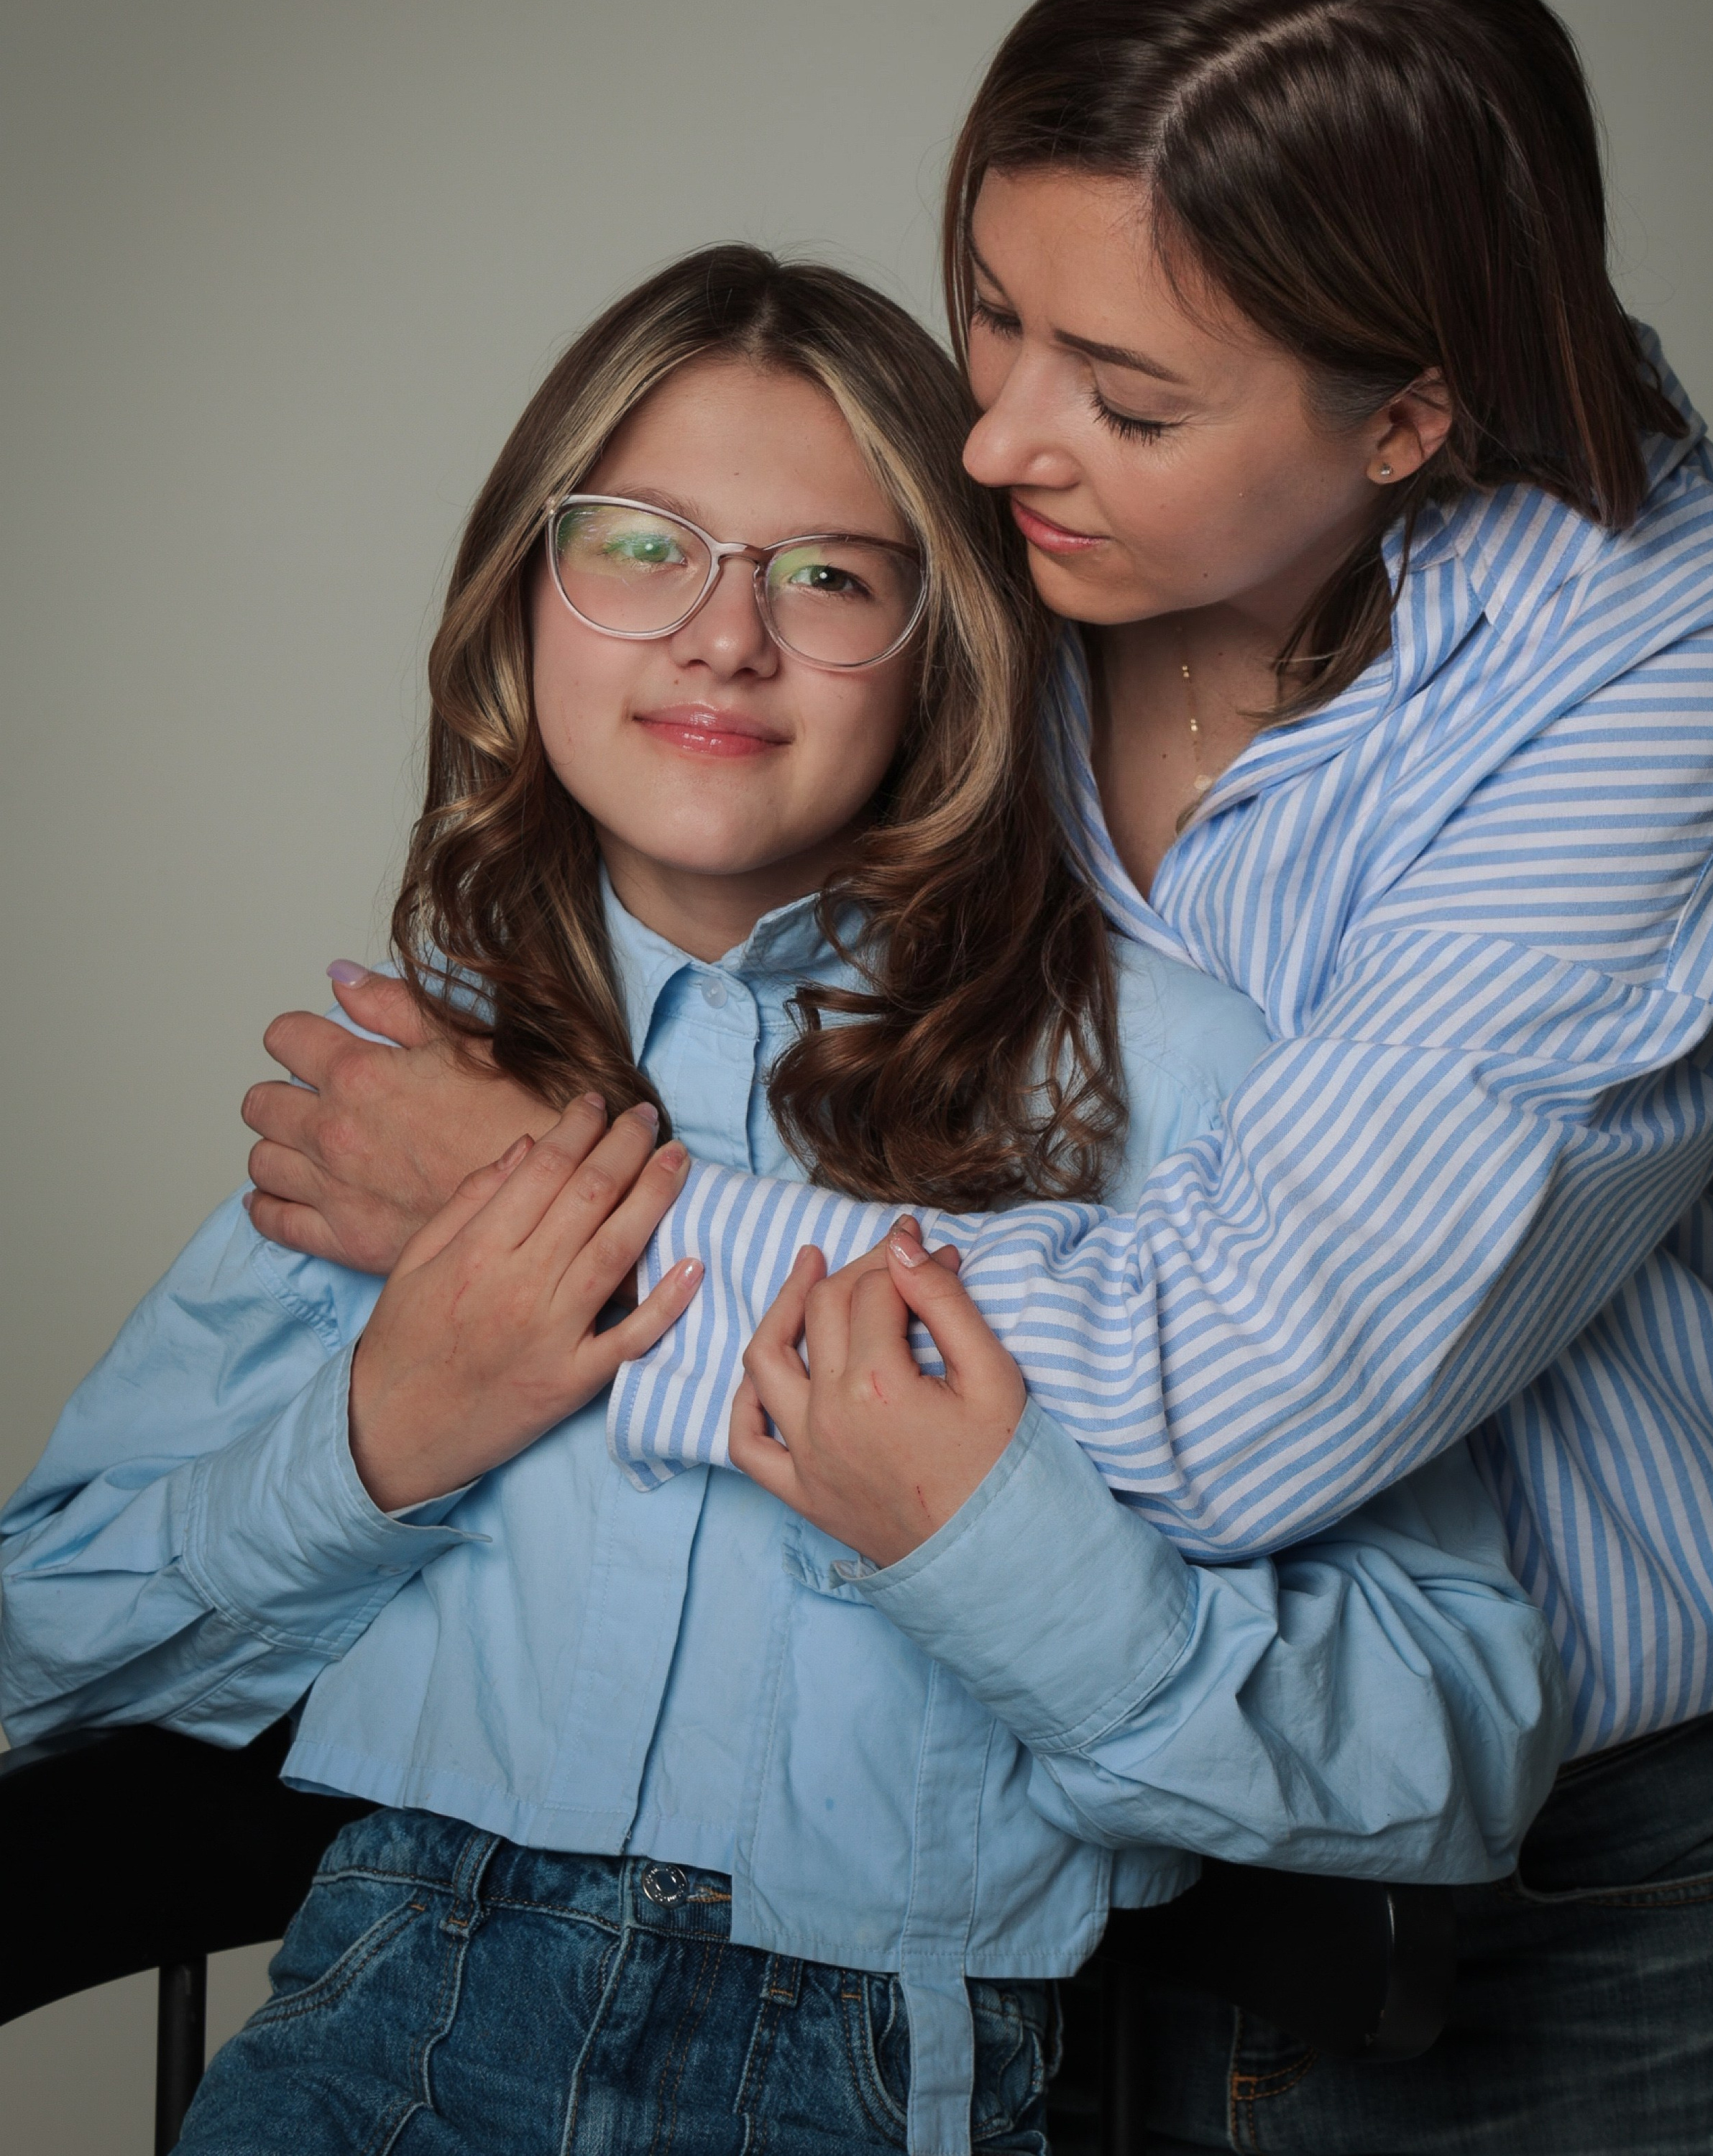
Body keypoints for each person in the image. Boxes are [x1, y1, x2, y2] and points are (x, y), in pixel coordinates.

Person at [249, 0, 1713, 2152]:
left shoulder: (1666, 671)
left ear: (1408, 418)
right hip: (996, 1869)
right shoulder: (1020, 512)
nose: (991, 446)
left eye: (1124, 396)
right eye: (992, 313)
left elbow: (1239, 1393)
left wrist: (543, 1230)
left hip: (1556, 1909)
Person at [0, 248, 1564, 2156]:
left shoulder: (1181, 1083)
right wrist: (369, 1451)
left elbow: (1457, 1747)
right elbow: (36, 1651)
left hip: (890, 2077)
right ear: (527, 599)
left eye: (829, 575)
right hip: (381, 2028)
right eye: (642, 545)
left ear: (948, 641)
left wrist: (997, 1551)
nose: (724, 638)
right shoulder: (413, 1097)